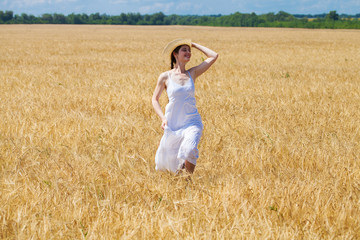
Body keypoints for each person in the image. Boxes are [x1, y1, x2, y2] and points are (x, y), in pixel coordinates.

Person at [152, 38, 218, 174]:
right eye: (184, 50)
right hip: (174, 123)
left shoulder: (192, 73)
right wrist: (163, 118)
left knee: (189, 149)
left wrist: (193, 44)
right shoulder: (165, 77)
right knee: (171, 160)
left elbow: (213, 56)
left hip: (192, 122)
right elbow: (155, 99)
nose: (188, 52)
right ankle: (181, 181)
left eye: (189, 50)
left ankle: (188, 182)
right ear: (175, 54)